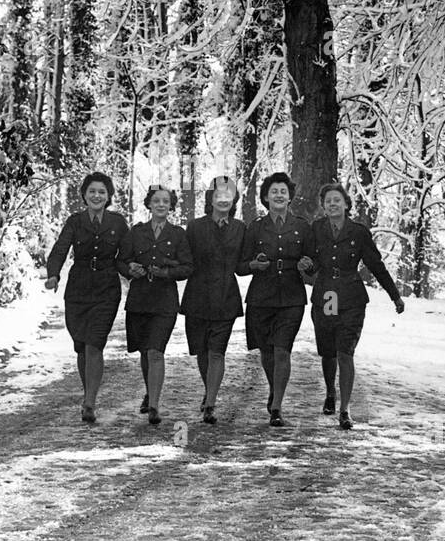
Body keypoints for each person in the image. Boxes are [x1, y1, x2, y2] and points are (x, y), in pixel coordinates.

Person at [306, 181, 405, 430]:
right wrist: (307, 266)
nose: (332, 204)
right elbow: (312, 263)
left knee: (345, 352)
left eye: (337, 200)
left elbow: (376, 265)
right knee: (328, 350)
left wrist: (395, 296)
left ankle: (345, 409)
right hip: (327, 294)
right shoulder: (316, 229)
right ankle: (331, 392)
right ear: (323, 206)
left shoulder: (359, 232)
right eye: (328, 201)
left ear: (346, 204)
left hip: (351, 298)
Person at [45, 172, 130, 423]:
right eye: (92, 191)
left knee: (95, 342)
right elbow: (60, 249)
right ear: (84, 194)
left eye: (102, 192)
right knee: (81, 345)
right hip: (78, 289)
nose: (97, 196)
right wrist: (53, 275)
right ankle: (88, 393)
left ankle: (89, 402)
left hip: (106, 288)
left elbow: (125, 256)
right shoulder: (75, 221)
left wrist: (134, 273)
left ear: (109, 196)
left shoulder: (117, 222)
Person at [237, 172, 316, 427]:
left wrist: (309, 265)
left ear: (290, 196)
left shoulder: (302, 226)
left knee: (283, 350)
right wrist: (253, 265)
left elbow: (314, 263)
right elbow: (240, 266)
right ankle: (274, 389)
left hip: (292, 297)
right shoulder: (256, 227)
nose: (279, 195)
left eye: (283, 191)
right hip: (261, 296)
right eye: (274, 192)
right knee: (267, 352)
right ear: (266, 197)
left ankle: (277, 406)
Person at [118, 185, 193, 426]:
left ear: (171, 206)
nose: (161, 205)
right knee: (144, 351)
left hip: (165, 301)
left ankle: (154, 405)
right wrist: (131, 268)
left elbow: (188, 267)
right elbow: (121, 260)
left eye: (166, 201)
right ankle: (150, 391)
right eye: (156, 201)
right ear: (149, 204)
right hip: (139, 299)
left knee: (156, 351)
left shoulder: (178, 234)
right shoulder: (136, 232)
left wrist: (166, 272)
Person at [179, 176, 246, 425]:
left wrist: (256, 264)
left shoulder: (240, 228)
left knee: (217, 351)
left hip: (226, 297)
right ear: (210, 198)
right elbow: (185, 260)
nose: (223, 198)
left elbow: (241, 264)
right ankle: (209, 391)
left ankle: (210, 402)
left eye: (229, 194)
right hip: (197, 297)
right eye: (219, 194)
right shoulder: (195, 227)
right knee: (203, 352)